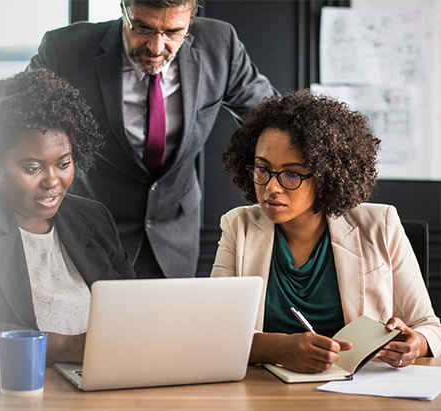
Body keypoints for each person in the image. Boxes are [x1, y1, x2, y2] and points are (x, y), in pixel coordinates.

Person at [29, 0, 277, 278]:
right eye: (143, 28)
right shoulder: (63, 49)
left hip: (175, 232)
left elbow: (274, 120)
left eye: (173, 32)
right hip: (91, 229)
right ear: (123, 8)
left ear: (191, 20)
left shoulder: (220, 44)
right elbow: (17, 121)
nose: (156, 48)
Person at [211, 89, 441, 373]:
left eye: (292, 174)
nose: (272, 187)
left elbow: (429, 327)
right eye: (262, 169)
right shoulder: (238, 227)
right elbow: (215, 334)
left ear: (326, 175)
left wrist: (415, 343)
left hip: (361, 392)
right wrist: (279, 348)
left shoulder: (380, 224)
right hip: (266, 392)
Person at [0, 68, 135, 368]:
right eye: (33, 168)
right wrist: (67, 348)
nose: (53, 181)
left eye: (64, 163)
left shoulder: (93, 217)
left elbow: (135, 316)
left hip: (99, 384)